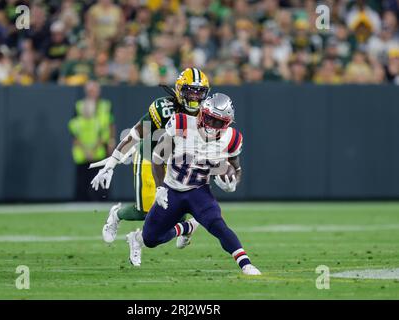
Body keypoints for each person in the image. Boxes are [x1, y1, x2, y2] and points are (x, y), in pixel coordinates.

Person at [125, 93, 261, 275]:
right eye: (209, 119)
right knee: (150, 239)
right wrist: (159, 187)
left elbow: (236, 168)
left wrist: (233, 182)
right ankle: (186, 227)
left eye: (218, 123)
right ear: (202, 113)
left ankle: (246, 264)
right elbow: (157, 157)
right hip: (172, 190)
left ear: (227, 123)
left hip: (199, 191)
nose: (212, 127)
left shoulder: (232, 138)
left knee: (217, 225)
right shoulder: (182, 124)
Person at [91, 68, 210, 247]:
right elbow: (136, 133)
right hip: (149, 155)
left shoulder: (207, 114)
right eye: (190, 92)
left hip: (177, 161)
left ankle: (185, 228)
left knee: (182, 204)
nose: (194, 97)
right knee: (148, 211)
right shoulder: (163, 109)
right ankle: (116, 215)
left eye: (198, 92)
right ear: (179, 90)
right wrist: (112, 163)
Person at [69, 81, 115, 201]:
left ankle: (102, 198)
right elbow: (74, 132)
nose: (93, 93)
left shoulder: (105, 105)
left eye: (94, 90)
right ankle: (82, 199)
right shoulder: (79, 107)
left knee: (102, 173)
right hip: (83, 149)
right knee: (83, 177)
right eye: (90, 91)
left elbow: (110, 126)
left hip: (100, 146)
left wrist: (110, 141)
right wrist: (85, 149)